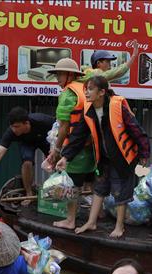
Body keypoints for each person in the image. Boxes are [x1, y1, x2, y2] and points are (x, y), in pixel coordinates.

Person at [58, 75, 150, 238]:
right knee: (99, 188)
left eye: (90, 89)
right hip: (104, 158)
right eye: (86, 89)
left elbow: (136, 130)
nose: (86, 93)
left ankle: (119, 226)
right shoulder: (89, 110)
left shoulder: (116, 106)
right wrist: (65, 157)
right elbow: (77, 136)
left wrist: (144, 153)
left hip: (123, 158)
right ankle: (91, 222)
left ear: (102, 92)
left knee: (120, 191)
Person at [45, 58, 96, 230]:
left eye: (60, 74)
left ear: (70, 75)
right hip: (90, 145)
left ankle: (70, 220)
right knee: (93, 183)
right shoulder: (84, 89)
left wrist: (57, 149)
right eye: (57, 74)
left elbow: (64, 125)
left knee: (73, 185)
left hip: (75, 147)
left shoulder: (67, 94)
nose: (57, 78)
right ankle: (95, 218)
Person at [0, 107, 54, 204]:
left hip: (46, 139)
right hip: (27, 143)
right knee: (27, 162)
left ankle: (60, 190)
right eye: (12, 126)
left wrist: (55, 148)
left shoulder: (41, 120)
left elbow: (61, 127)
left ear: (26, 123)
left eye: (17, 126)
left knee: (56, 160)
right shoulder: (10, 133)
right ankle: (29, 194)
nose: (14, 130)